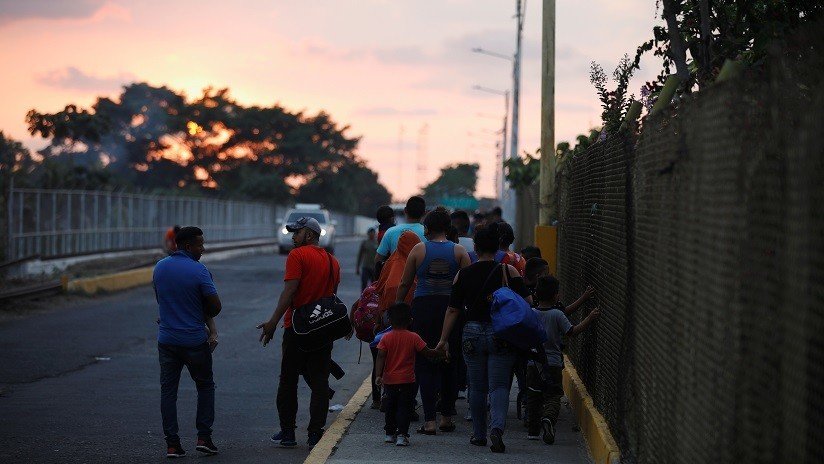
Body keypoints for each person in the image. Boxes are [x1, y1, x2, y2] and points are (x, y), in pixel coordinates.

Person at [436, 222, 532, 453]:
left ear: (476, 248)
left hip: (471, 332)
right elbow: (528, 303)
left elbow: (453, 310)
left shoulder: (463, 274)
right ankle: (496, 429)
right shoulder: (508, 271)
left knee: (477, 387)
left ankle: (478, 434)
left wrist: (443, 340)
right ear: (498, 248)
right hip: (501, 334)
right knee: (499, 386)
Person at [257, 216, 341, 448]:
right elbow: (332, 296)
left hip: (296, 328)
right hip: (323, 329)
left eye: (297, 233)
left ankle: (288, 433)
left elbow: (290, 291)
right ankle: (315, 433)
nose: (293, 237)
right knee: (320, 381)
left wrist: (273, 321)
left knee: (288, 380)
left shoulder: (297, 256)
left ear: (310, 235)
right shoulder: (333, 261)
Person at [396, 208, 470, 435]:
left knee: (425, 361)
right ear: (448, 228)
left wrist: (399, 308)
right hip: (452, 310)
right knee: (449, 360)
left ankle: (429, 421)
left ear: (427, 228)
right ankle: (446, 417)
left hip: (424, 309)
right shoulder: (460, 251)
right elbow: (466, 286)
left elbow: (405, 283)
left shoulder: (419, 249)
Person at [153, 226, 222, 458]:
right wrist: (202, 313)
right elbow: (215, 307)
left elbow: (162, 300)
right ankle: (204, 437)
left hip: (167, 340)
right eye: (200, 245)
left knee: (168, 392)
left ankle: (172, 444)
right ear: (187, 246)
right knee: (205, 386)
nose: (203, 249)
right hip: (193, 341)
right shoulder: (200, 271)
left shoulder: (159, 268)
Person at [526, 275, 600, 444]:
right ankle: (549, 419)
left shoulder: (530, 313)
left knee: (534, 396)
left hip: (533, 364)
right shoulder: (557, 315)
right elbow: (572, 331)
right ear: (556, 296)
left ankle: (532, 430)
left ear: (536, 294)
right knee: (553, 395)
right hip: (552, 363)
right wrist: (589, 318)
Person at [375, 303, 443, 446]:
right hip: (407, 380)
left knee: (390, 407)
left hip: (390, 380)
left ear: (389, 321)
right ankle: (402, 435)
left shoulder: (386, 338)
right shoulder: (414, 337)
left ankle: (389, 433)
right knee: (404, 408)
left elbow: (380, 356)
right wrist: (440, 352)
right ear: (410, 320)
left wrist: (378, 375)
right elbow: (427, 352)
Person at [374, 196, 427, 264]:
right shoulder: (429, 234)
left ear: (405, 210)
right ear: (424, 213)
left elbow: (378, 259)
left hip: (395, 273)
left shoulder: (390, 232)